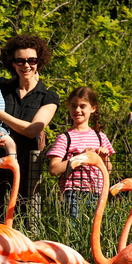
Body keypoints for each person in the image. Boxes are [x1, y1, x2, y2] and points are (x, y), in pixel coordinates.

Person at [0, 34, 59, 218]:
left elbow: (32, 130)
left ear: (39, 62)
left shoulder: (48, 97)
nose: (26, 65)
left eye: (31, 60)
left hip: (26, 171)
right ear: (12, 63)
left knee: (23, 223)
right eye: (20, 60)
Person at [46, 86, 114, 218]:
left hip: (98, 193)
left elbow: (108, 169)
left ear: (93, 108)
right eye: (73, 106)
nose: (77, 110)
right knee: (73, 232)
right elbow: (53, 169)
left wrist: (103, 158)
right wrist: (80, 158)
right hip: (72, 194)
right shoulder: (64, 138)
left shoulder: (101, 137)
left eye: (82, 106)